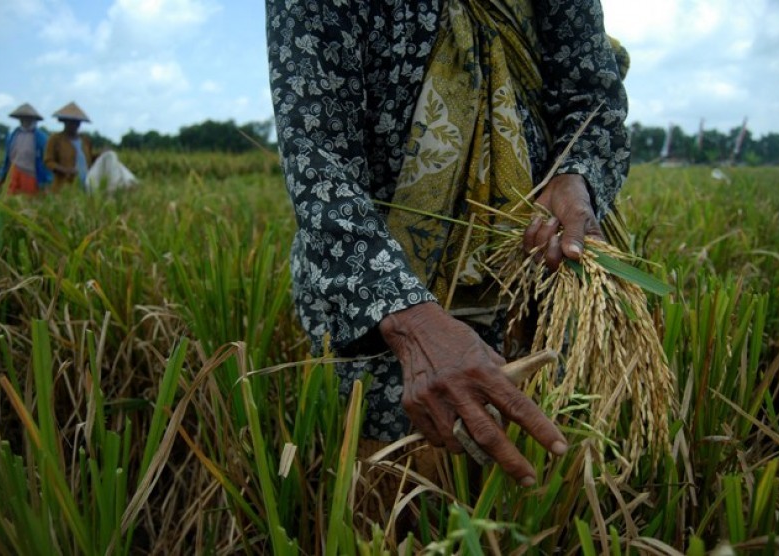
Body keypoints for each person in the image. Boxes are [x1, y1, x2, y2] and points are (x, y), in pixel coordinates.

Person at [266, 0, 630, 485]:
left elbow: (593, 100)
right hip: (381, 312)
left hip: (534, 287)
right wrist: (410, 323)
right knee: (391, 503)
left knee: (538, 490)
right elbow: (318, 164)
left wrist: (576, 175)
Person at [0, 103, 53, 195]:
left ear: (33, 119)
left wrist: (46, 182)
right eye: (23, 118)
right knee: (10, 199)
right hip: (13, 173)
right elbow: (7, 159)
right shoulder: (13, 136)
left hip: (31, 174)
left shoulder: (41, 138)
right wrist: (2, 177)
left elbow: (46, 162)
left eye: (28, 118)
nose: (25, 120)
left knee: (28, 201)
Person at [43, 101, 95, 192]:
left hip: (86, 185)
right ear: (64, 122)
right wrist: (65, 170)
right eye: (71, 122)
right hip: (64, 185)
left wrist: (103, 155)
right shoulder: (55, 139)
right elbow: (48, 161)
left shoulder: (85, 140)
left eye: (77, 122)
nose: (74, 125)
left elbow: (90, 158)